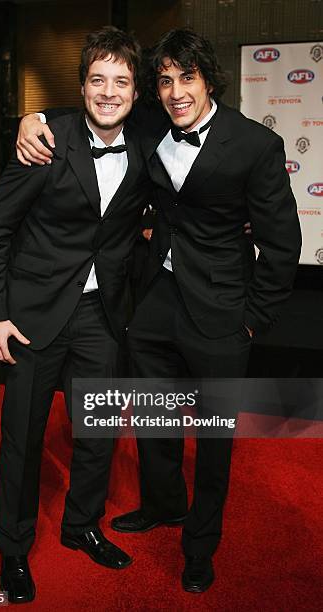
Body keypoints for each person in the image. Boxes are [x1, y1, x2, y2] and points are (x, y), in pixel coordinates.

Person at [16, 29, 301, 594]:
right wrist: (30, 119)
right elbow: (96, 106)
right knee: (154, 418)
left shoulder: (253, 145)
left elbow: (283, 242)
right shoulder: (149, 125)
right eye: (165, 80)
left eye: (185, 78)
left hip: (222, 310)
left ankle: (200, 544)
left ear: (208, 80)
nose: (175, 92)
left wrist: (254, 317)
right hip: (155, 301)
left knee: (213, 438)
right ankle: (163, 504)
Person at [0, 26, 152, 604]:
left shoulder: (148, 143)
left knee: (97, 433)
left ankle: (80, 526)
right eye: (98, 80)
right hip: (33, 315)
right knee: (21, 436)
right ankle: (14, 547)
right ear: (81, 87)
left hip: (103, 314)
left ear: (135, 91)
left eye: (120, 81)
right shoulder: (45, 140)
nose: (108, 92)